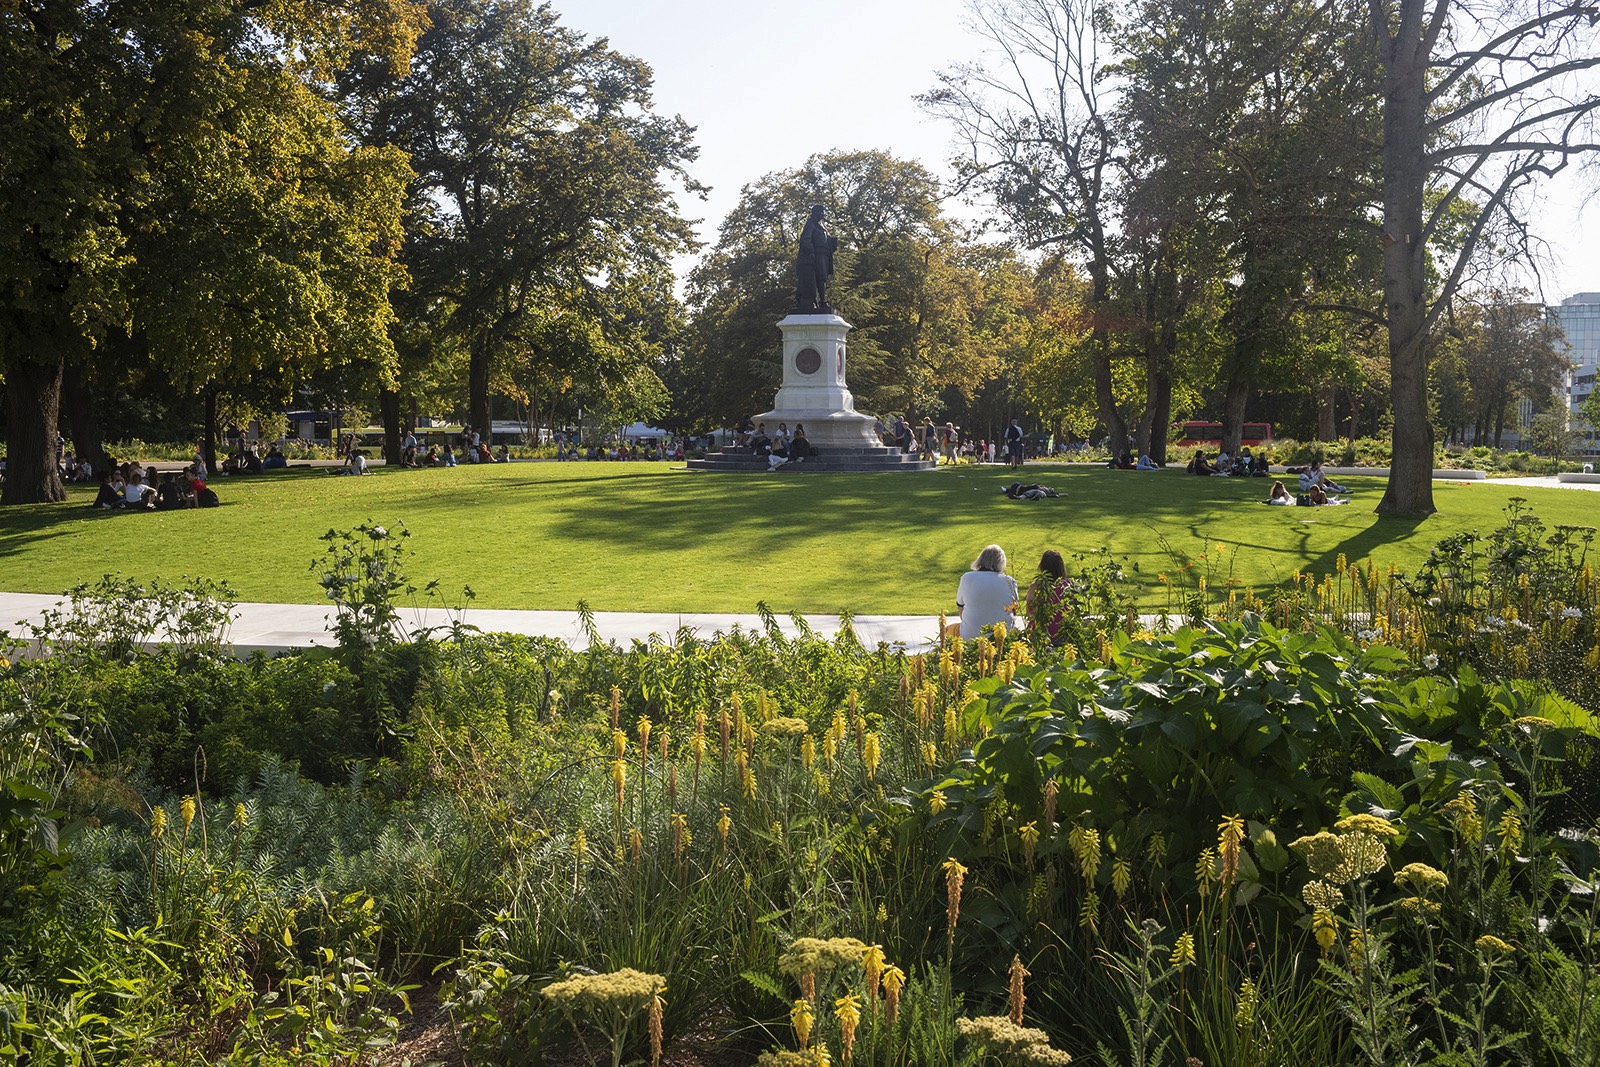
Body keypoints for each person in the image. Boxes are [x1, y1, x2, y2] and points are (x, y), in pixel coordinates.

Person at [956, 544, 1018, 640]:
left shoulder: (967, 578)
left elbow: (960, 607)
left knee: (950, 630)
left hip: (971, 637)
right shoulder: (1010, 581)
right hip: (1003, 637)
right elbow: (1014, 611)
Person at [794, 203, 839, 310]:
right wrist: (811, 253)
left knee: (822, 278)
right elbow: (805, 239)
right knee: (819, 278)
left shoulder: (821, 226)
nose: (822, 215)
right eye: (820, 212)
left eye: (823, 212)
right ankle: (821, 301)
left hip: (824, 255)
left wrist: (832, 241)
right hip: (817, 255)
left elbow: (823, 239)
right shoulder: (811, 224)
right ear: (815, 213)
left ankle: (822, 301)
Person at [1025, 550, 1070, 646]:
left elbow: (1029, 611)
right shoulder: (1069, 586)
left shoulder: (1036, 587)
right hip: (1064, 636)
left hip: (1040, 636)